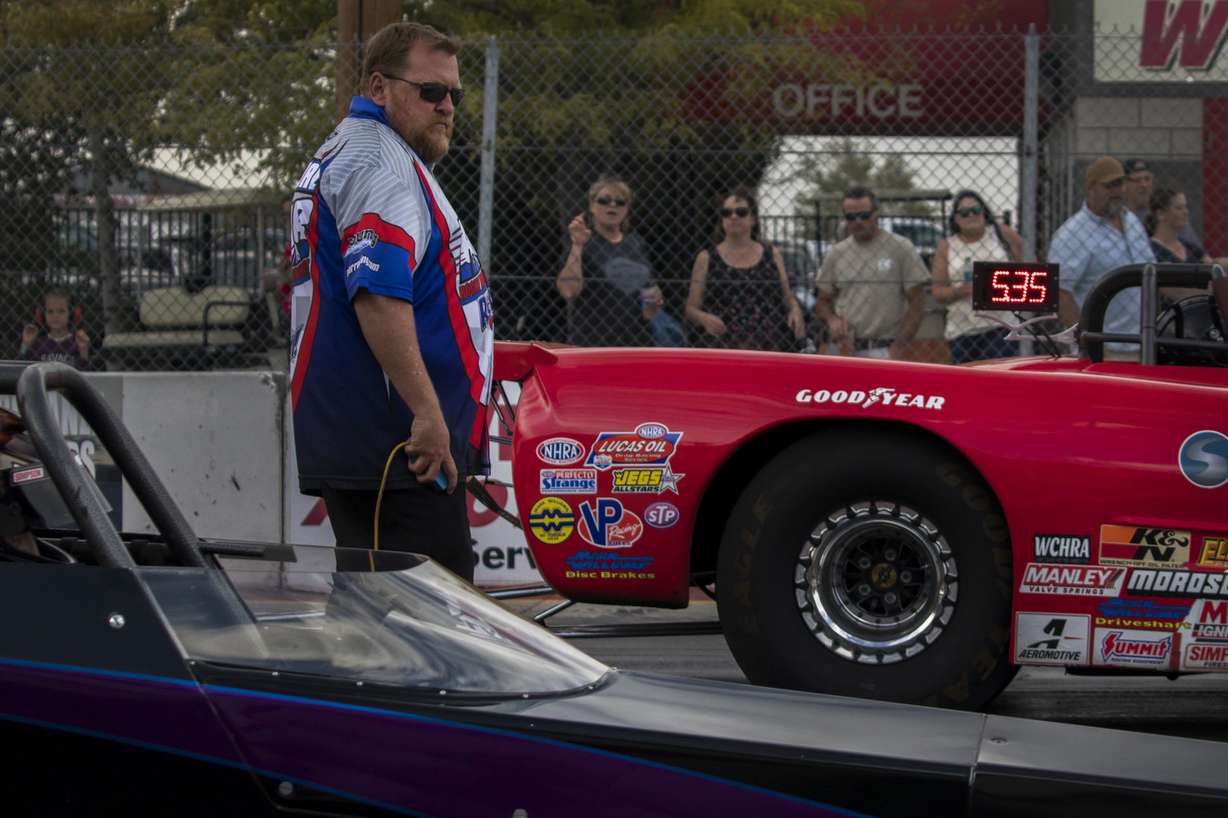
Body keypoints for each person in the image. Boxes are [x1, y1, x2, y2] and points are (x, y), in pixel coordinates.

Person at [287, 22, 493, 582]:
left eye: (455, 94)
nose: (448, 106)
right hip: (394, 442)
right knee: (423, 623)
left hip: (379, 437)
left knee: (381, 618)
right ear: (380, 87)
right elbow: (377, 295)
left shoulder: (361, 150)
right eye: (431, 92)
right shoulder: (380, 166)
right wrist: (428, 412)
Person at [1047, 157, 1155, 354]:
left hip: (1144, 343)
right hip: (1104, 348)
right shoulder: (1072, 234)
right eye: (1110, 185)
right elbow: (1059, 295)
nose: (1117, 191)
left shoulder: (1130, 220)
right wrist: (1091, 341)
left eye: (1120, 183)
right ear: (1091, 188)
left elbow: (1153, 271)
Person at [814, 186, 929, 358]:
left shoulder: (900, 248)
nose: (858, 221)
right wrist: (832, 320)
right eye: (851, 217)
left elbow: (918, 301)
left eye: (864, 215)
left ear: (876, 213)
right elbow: (822, 300)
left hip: (884, 348)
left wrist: (899, 347)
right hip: (844, 348)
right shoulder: (836, 253)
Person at [685, 188, 805, 351]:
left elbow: (788, 297)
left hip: (770, 348)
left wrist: (795, 309)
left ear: (753, 219)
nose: (733, 217)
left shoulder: (772, 254)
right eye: (726, 212)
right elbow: (691, 308)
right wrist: (704, 319)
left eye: (741, 212)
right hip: (723, 349)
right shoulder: (706, 258)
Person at [556, 176, 664, 347]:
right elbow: (568, 290)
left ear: (627, 208)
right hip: (591, 342)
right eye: (604, 200)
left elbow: (649, 309)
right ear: (592, 205)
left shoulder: (637, 244)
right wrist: (577, 245)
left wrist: (655, 301)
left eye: (620, 201)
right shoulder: (582, 242)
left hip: (636, 343)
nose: (612, 205)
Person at [930, 190, 1025, 364]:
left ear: (984, 212)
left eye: (976, 210)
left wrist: (1005, 283)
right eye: (964, 213)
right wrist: (959, 290)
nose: (971, 216)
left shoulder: (1001, 234)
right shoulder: (947, 246)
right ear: (956, 219)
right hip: (962, 328)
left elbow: (1030, 266)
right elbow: (937, 291)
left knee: (1000, 380)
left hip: (1002, 325)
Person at [1124, 158, 1201, 247]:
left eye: (1147, 179)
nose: (1144, 185)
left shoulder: (1168, 213)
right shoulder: (1121, 216)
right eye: (1137, 180)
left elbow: (1195, 249)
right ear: (1125, 184)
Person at [18, 289, 91, 369]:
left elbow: (85, 373)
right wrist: (25, 345)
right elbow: (22, 369)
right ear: (42, 315)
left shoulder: (77, 342)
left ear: (71, 314)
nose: (55, 316)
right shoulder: (38, 343)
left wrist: (83, 352)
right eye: (50, 312)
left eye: (61, 311)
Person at [1147, 187, 1212, 264]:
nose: (1186, 212)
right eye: (1179, 208)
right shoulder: (1150, 249)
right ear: (1160, 214)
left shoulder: (1190, 247)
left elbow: (1211, 265)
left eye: (1185, 207)